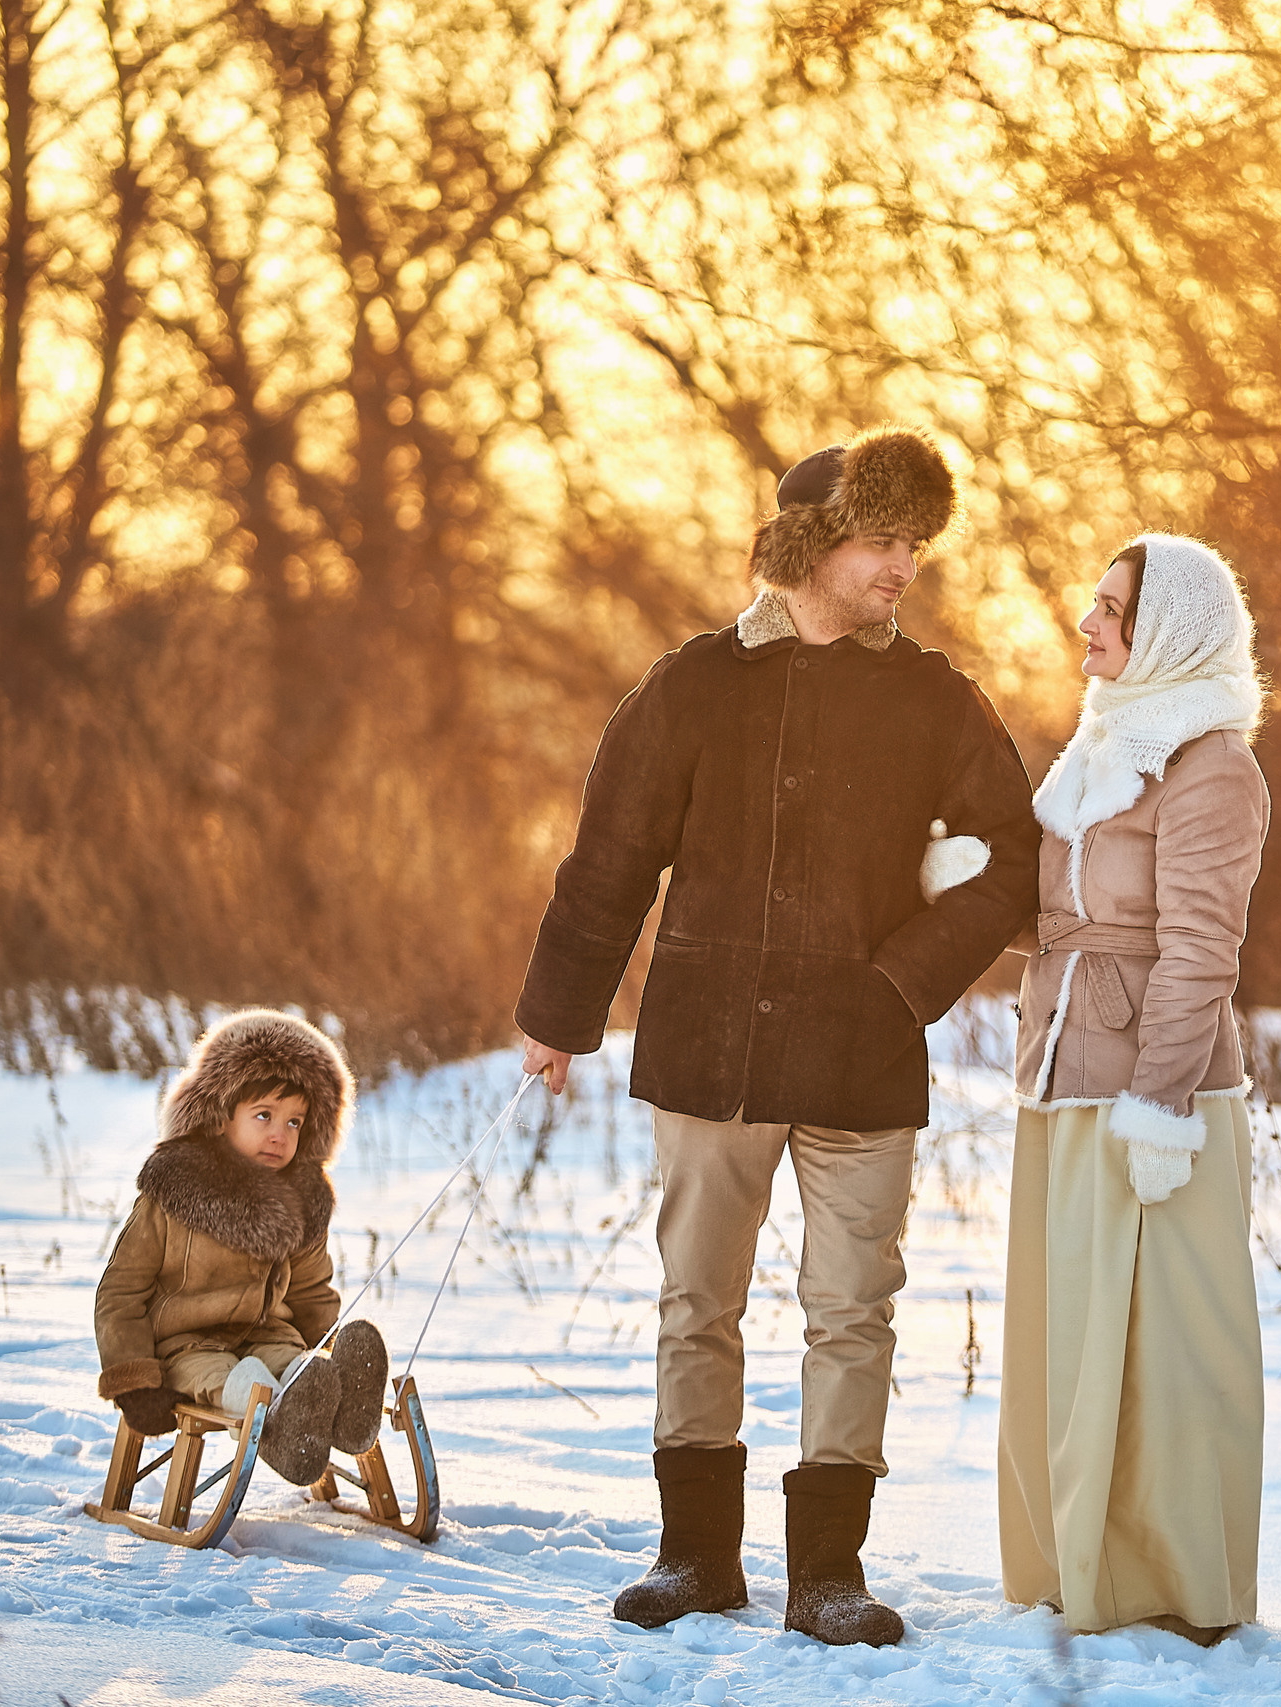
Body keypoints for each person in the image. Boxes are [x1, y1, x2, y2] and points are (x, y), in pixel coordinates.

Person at [516, 425, 1040, 1647]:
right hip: (711, 1045)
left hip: (862, 1050)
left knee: (853, 1310)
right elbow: (610, 858)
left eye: (915, 544)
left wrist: (906, 979)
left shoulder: (933, 698)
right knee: (698, 1299)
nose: (903, 567)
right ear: (811, 545)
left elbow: (1015, 859)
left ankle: (830, 1576)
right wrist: (559, 1014)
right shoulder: (693, 685)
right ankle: (694, 1556)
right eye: (883, 541)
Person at [998, 533, 1270, 1643]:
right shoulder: (1101, 748)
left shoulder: (1212, 766)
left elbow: (1201, 951)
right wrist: (963, 886)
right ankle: (1081, 1569)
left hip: (1157, 1104)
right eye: (1094, 602)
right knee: (1070, 1343)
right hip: (1061, 1085)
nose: (1087, 622)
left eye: (1112, 607)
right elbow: (1068, 920)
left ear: (1169, 631)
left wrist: (1158, 1107)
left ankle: (1178, 1586)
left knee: (1168, 1350)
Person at [94, 1009, 389, 1488]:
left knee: (297, 1368)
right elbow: (120, 1292)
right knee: (244, 1379)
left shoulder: (300, 1198)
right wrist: (133, 1377)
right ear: (219, 1117)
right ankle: (282, 1431)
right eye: (265, 1116)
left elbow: (312, 1290)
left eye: (295, 1122)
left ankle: (340, 1404)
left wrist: (326, 1346)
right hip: (185, 1346)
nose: (280, 1134)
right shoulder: (174, 1191)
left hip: (268, 1335)